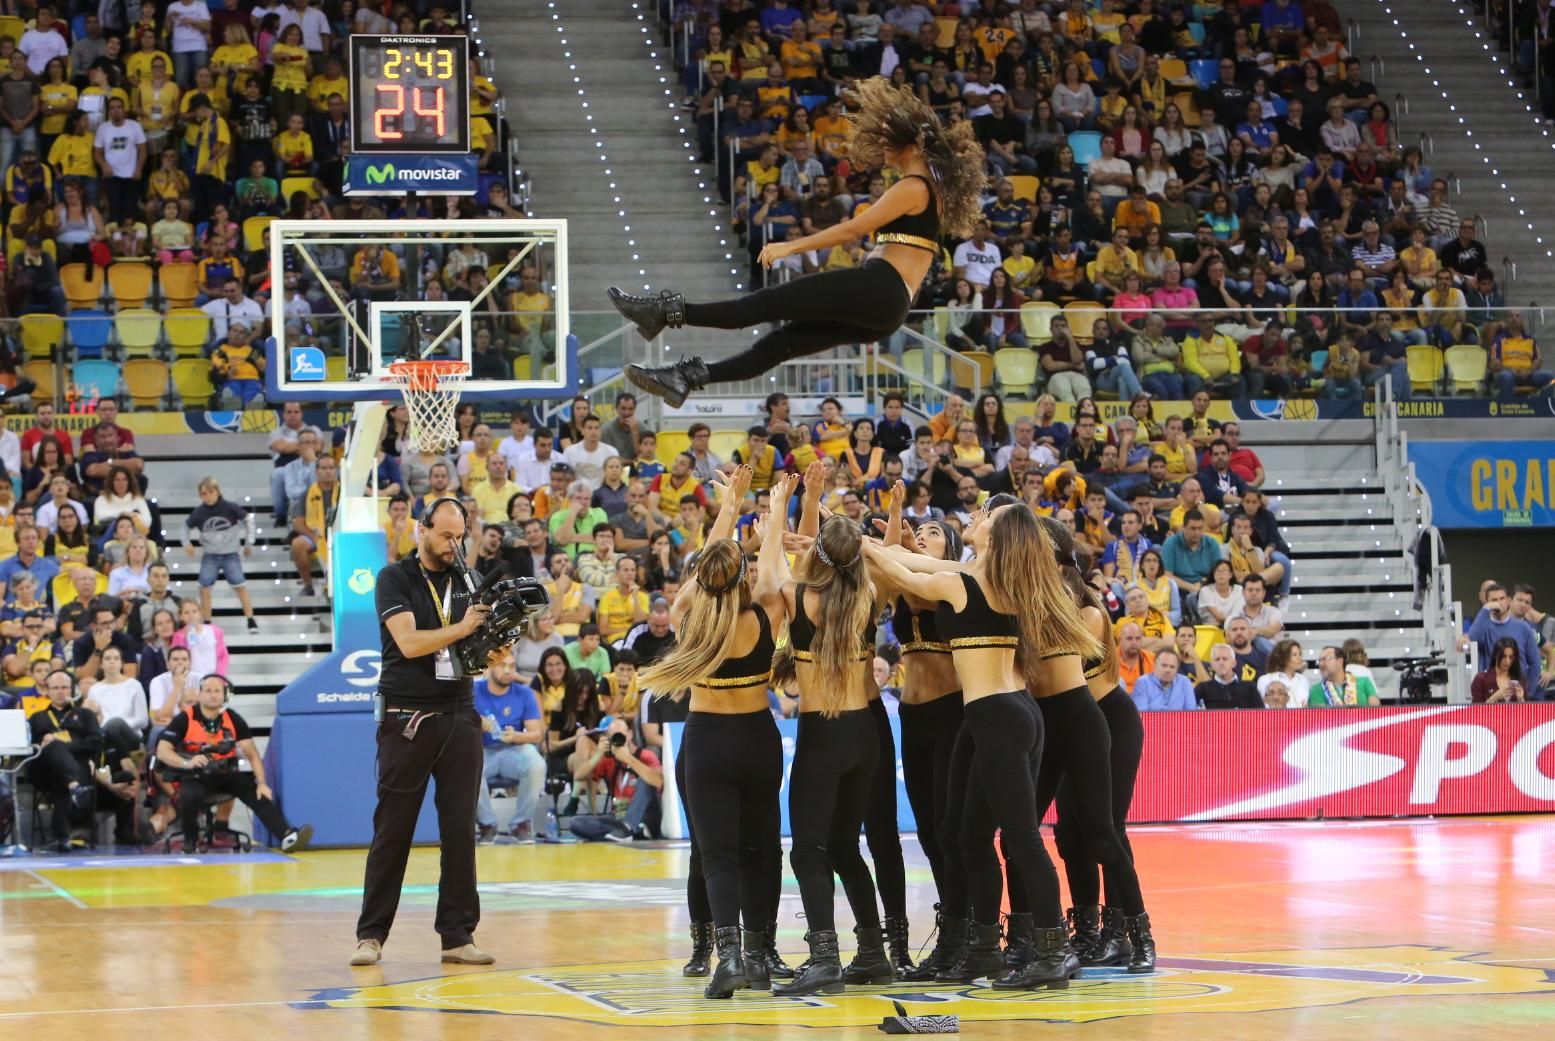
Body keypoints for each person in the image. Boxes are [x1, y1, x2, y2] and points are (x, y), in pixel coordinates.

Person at [612, 78, 986, 406]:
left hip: (881, 287)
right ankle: (686, 378)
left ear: (912, 144)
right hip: (889, 307)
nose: (884, 145)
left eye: (891, 138)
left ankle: (663, 313)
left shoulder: (912, 187)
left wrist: (790, 247)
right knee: (780, 346)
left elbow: (853, 230)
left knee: (761, 305)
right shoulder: (929, 190)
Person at [862, 500, 1101, 988]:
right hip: (996, 715)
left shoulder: (965, 582)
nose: (976, 518)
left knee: (1021, 837)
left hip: (998, 717)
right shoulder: (993, 579)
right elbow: (924, 564)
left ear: (996, 537)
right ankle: (985, 951)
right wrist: (882, 545)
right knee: (966, 833)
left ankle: (1051, 951)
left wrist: (858, 543)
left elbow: (907, 576)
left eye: (986, 518)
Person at [638, 467, 793, 999]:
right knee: (763, 850)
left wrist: (728, 509)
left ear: (702, 577)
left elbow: (713, 564)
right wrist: (774, 517)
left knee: (718, 854)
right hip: (757, 738)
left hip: (706, 742)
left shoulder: (687, 613)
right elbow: (771, 567)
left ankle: (726, 958)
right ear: (741, 577)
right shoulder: (766, 612)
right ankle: (760, 955)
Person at [351, 498, 503, 969]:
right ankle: (371, 935)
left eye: (460, 537)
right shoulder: (394, 578)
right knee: (392, 830)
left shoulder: (469, 581)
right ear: (422, 529)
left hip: (459, 712)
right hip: (407, 718)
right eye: (445, 536)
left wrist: (493, 646)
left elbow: (479, 649)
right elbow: (411, 642)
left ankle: (458, 936)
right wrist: (462, 628)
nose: (453, 545)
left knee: (460, 831)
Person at [763, 467, 893, 996]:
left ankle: (823, 959)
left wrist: (792, 504)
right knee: (845, 847)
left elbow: (780, 566)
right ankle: (873, 952)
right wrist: (816, 504)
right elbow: (834, 558)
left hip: (823, 733)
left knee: (808, 850)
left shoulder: (799, 598)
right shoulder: (868, 596)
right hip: (866, 734)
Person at [876, 491, 965, 980]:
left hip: (953, 712)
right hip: (912, 716)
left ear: (949, 549)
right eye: (921, 531)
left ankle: (964, 930)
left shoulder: (949, 580)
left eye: (934, 533)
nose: (924, 535)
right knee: (929, 831)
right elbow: (890, 577)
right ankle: (954, 923)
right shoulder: (906, 572)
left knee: (953, 828)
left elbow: (912, 583)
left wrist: (901, 540)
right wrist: (892, 525)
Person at [155, 674, 312, 854]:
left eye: (217, 691)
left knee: (257, 793)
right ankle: (190, 839)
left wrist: (261, 783)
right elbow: (163, 751)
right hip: (195, 774)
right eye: (208, 691)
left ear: (224, 695)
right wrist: (187, 762)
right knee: (189, 794)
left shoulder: (233, 718)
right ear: (200, 694)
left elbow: (252, 754)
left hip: (224, 775)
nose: (213, 695)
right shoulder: (184, 718)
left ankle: (287, 836)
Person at [474, 650, 546, 843]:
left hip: (513, 750)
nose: (508, 671)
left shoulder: (524, 693)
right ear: (489, 668)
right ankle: (487, 824)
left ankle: (521, 823)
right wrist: (477, 723)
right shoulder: (474, 690)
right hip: (483, 750)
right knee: (467, 765)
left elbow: (536, 734)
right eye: (502, 665)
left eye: (512, 666)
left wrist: (515, 736)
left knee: (536, 764)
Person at [182, 477, 258, 631]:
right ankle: (207, 622)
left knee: (240, 587)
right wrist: (186, 543)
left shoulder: (230, 507)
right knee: (204, 588)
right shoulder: (199, 512)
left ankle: (250, 619)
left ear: (217, 492)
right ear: (200, 495)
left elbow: (249, 520)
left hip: (231, 554)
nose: (208, 496)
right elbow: (185, 526)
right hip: (210, 555)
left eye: (211, 492)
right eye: (204, 493)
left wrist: (249, 542)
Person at [1196, 643, 1263, 708]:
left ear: (1234, 663)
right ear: (1212, 665)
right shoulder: (1202, 689)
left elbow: (1261, 715)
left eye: (1225, 659)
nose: (1221, 663)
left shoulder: (1249, 687)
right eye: (1217, 659)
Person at [1309, 644, 1378, 707]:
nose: (1321, 664)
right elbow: (1321, 716)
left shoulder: (1364, 682)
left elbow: (1375, 710)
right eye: (1319, 661)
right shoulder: (1316, 689)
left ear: (1340, 661)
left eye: (1325, 659)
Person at [1471, 637, 1528, 703]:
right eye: (1504, 656)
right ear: (1496, 655)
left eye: (1511, 657)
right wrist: (1493, 698)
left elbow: (1528, 711)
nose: (1507, 661)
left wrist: (1521, 699)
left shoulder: (1520, 679)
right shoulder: (1481, 679)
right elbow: (1475, 711)